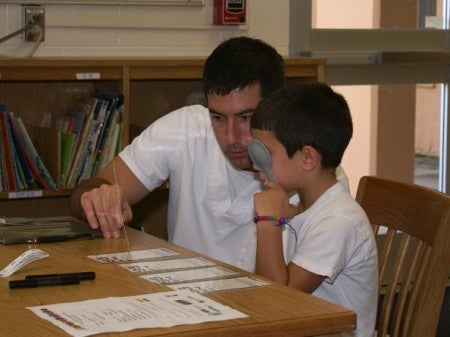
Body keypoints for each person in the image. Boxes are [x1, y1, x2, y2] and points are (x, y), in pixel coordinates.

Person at [70, 36, 348, 272]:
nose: (231, 138)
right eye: (217, 117)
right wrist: (95, 199)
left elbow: (297, 303)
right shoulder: (184, 128)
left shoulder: (314, 174)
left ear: (274, 107)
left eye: (246, 118)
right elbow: (91, 190)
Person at [250, 82, 378, 337]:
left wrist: (267, 222)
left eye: (265, 153)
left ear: (308, 158)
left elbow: (276, 302)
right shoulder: (299, 205)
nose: (255, 165)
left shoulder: (338, 222)